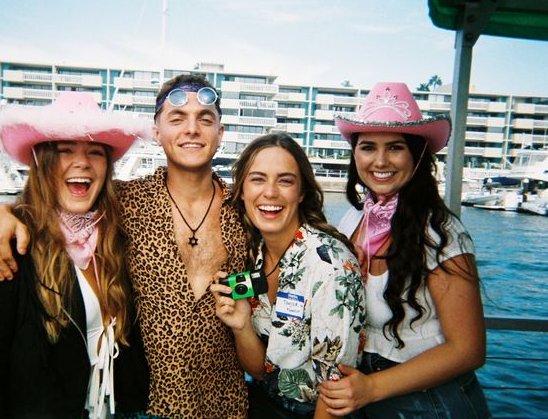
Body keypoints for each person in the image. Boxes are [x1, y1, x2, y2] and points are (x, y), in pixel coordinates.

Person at [0, 74, 249, 419]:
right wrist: (0, 212)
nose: (192, 129)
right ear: (157, 132)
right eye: (177, 118)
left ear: (220, 134)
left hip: (226, 405)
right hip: (147, 405)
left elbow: (265, 267)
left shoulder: (245, 212)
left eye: (205, 119)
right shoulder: (125, 202)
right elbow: (53, 205)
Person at [0, 92, 151, 418]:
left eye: (95, 153)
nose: (82, 162)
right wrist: (1, 212)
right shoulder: (8, 246)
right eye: (65, 150)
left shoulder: (119, 236)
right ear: (41, 162)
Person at [318, 82, 490, 418]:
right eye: (368, 147)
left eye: (395, 148)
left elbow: (469, 350)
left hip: (431, 403)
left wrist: (373, 388)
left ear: (417, 154)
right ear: (355, 155)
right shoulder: (352, 219)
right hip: (366, 396)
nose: (380, 160)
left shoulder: (442, 233)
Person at [210, 133, 365, 419]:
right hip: (266, 406)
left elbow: (336, 393)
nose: (270, 192)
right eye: (257, 179)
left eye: (285, 180)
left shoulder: (330, 265)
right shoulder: (254, 254)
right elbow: (261, 371)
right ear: (242, 191)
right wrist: (242, 325)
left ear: (302, 191)